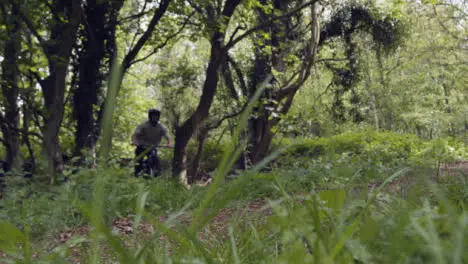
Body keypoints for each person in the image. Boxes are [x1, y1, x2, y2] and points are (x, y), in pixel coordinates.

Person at [131, 108, 172, 177]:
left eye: (156, 116)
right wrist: (134, 142)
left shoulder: (161, 127)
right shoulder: (144, 125)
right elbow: (135, 135)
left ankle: (153, 174)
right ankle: (137, 175)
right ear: (150, 116)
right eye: (153, 116)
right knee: (138, 161)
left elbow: (167, 137)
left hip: (153, 147)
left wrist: (169, 143)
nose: (155, 117)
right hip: (142, 146)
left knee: (154, 159)